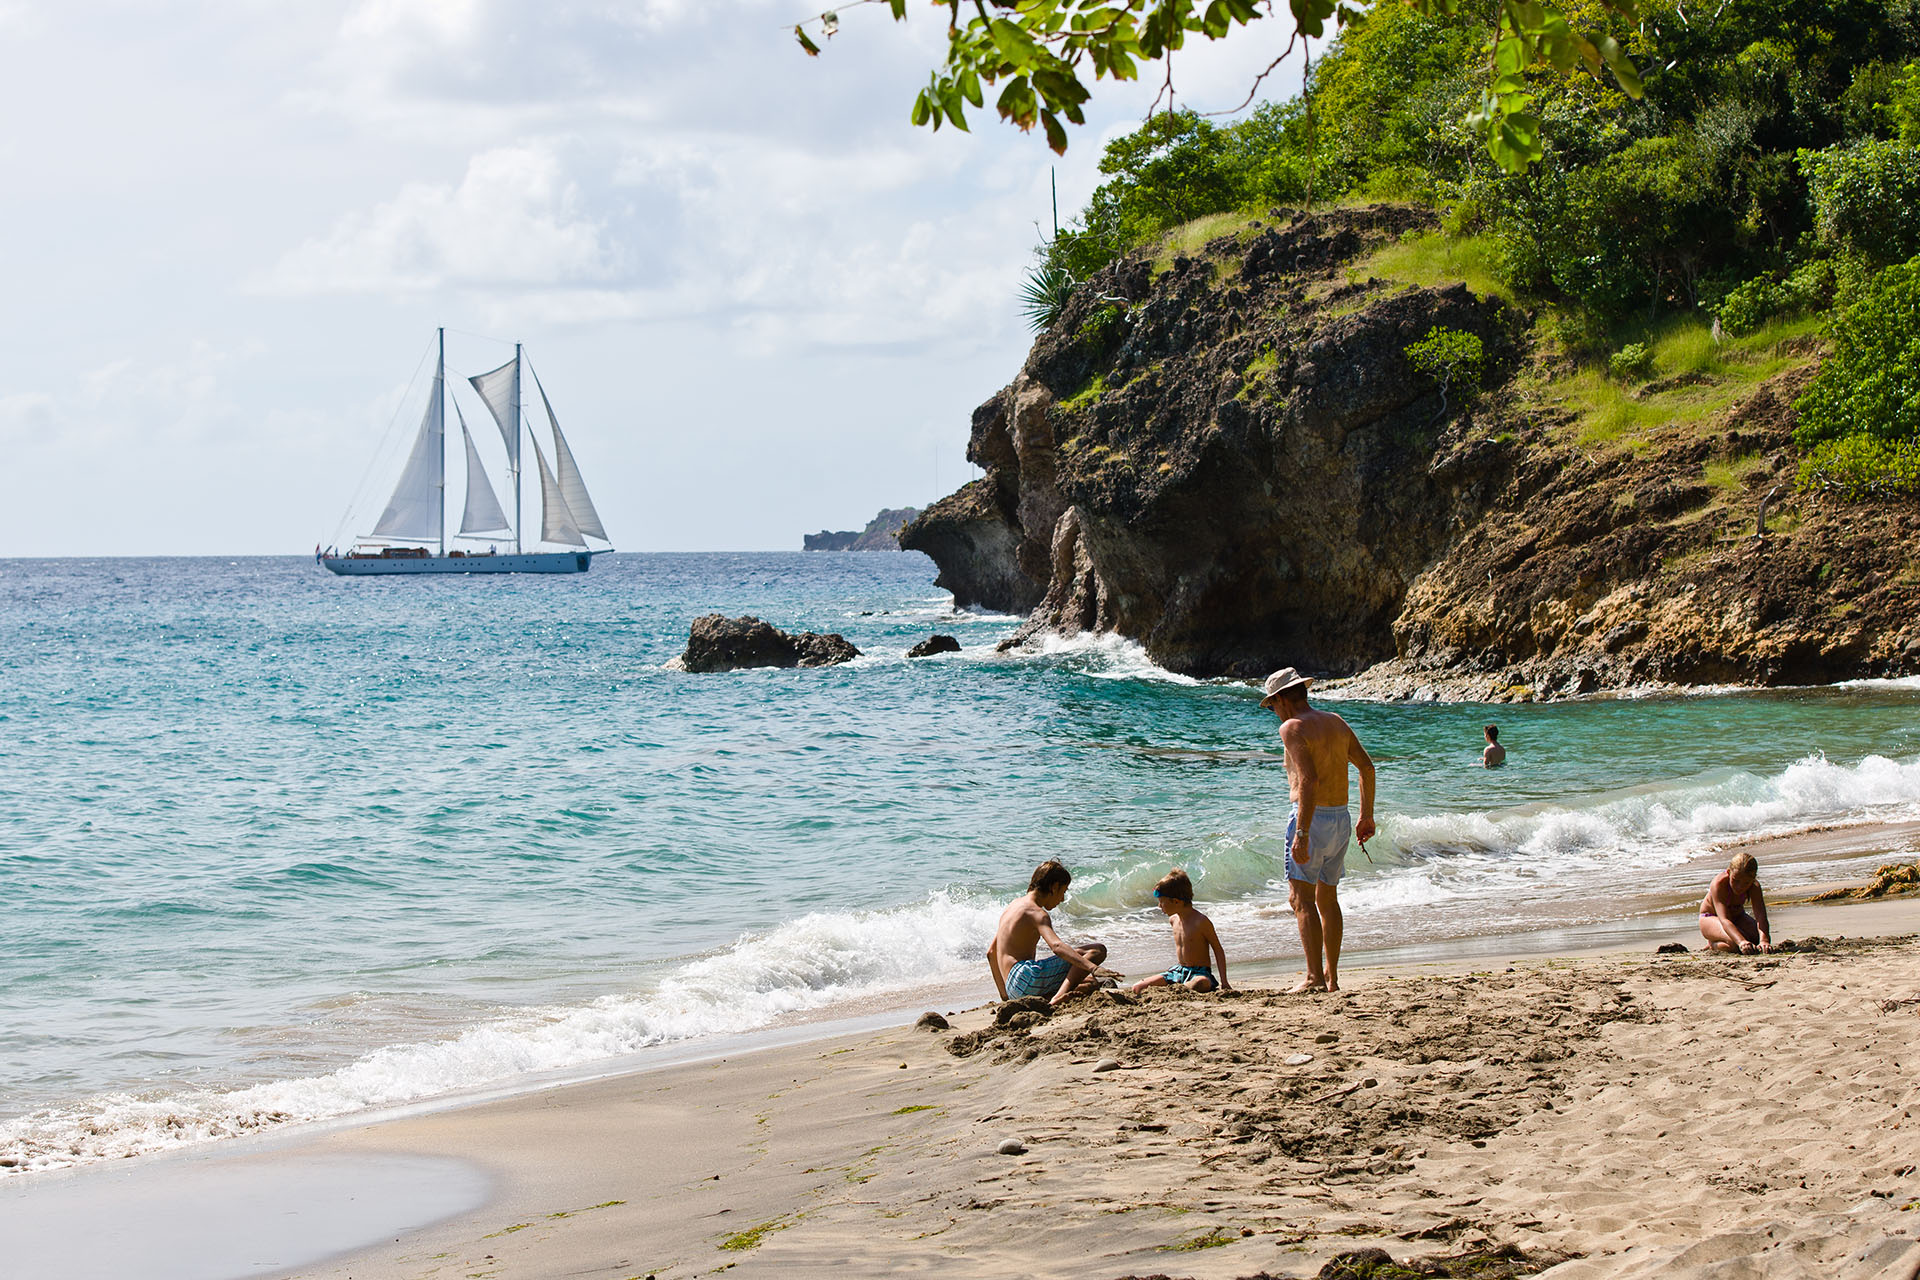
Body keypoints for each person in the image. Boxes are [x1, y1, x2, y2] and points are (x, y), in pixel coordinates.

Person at [1261, 667, 1376, 994]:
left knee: (1301, 898)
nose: (1274, 713)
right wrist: (1366, 816)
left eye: (1272, 706)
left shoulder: (1292, 727)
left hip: (1311, 818)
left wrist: (1302, 832)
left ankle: (1313, 977)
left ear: (1282, 699)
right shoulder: (1336, 721)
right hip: (1341, 817)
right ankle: (1332, 978)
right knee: (1328, 898)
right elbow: (1367, 767)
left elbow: (1309, 780)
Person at [987, 860, 1108, 1007]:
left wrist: (1006, 996)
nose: (1062, 899)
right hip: (1026, 977)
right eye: (1063, 892)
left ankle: (1051, 996)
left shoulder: (1012, 907)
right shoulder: (1037, 912)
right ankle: (1058, 997)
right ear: (1054, 887)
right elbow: (1057, 946)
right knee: (1097, 950)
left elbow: (991, 952)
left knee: (1088, 982)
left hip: (1013, 987)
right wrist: (1093, 967)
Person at [1130, 869, 1230, 994]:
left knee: (1201, 983)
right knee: (1137, 987)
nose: (1159, 906)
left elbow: (1218, 949)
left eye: (1162, 902)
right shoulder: (1173, 920)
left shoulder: (1201, 922)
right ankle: (1180, 988)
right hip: (1178, 971)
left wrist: (1224, 981)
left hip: (1199, 973)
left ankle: (1179, 989)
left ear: (1176, 901)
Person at [1700, 850, 1771, 954]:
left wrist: (1764, 941)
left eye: (1746, 883)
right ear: (1729, 872)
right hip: (1711, 918)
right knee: (1734, 945)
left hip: (1737, 917)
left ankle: (1725, 938)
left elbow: (1761, 916)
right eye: (1735, 880)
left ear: (1753, 879)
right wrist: (1741, 941)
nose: (1740, 887)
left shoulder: (1754, 887)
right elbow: (1724, 919)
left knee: (1755, 939)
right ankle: (1713, 944)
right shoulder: (1719, 884)